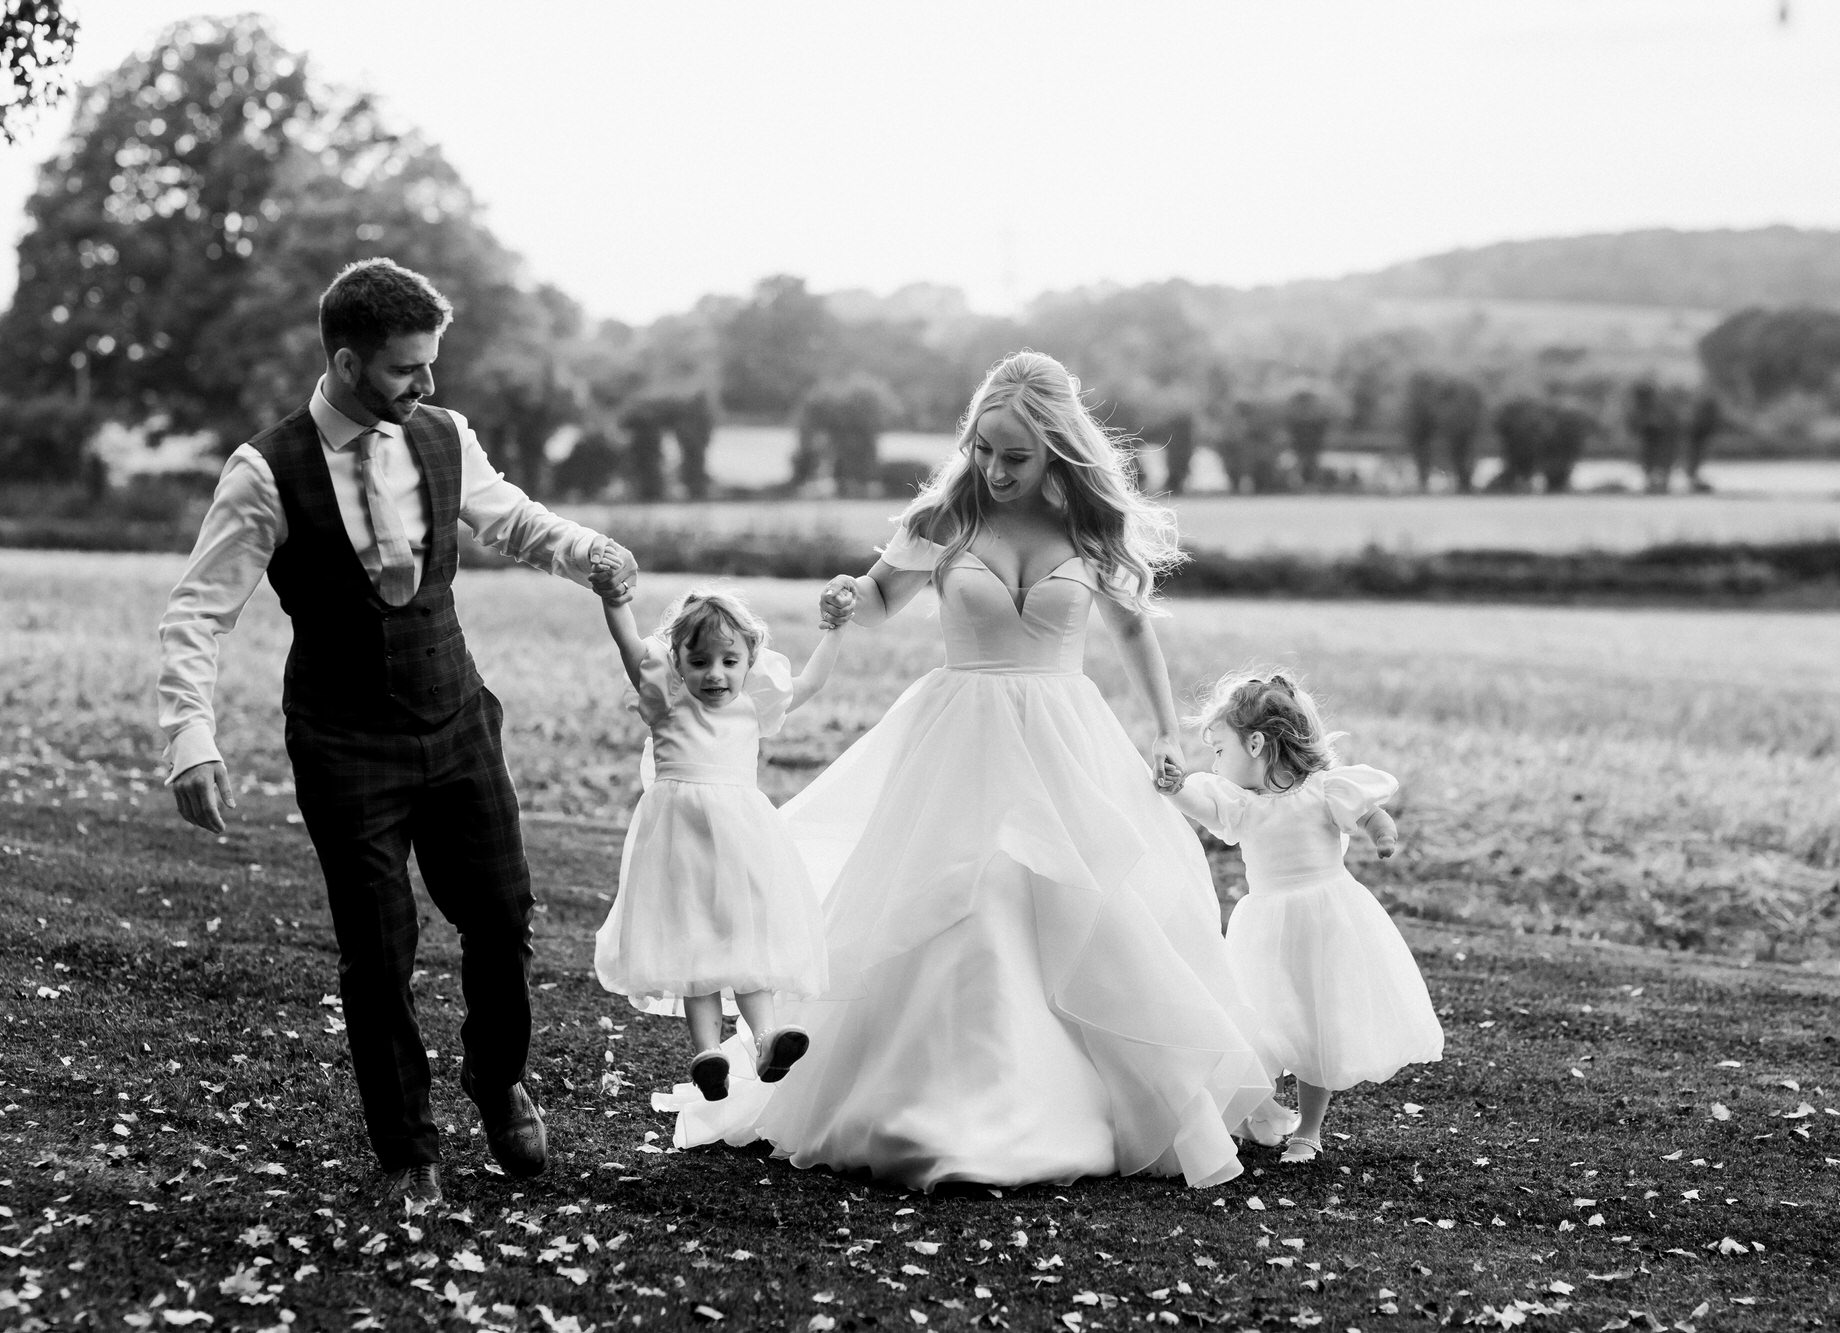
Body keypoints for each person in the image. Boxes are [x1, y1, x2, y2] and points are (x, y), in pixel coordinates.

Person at [664, 350, 1275, 1191]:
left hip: (1066, 735)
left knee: (1079, 908)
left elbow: (1134, 632)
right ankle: (949, 1106)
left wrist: (1167, 733)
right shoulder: (948, 515)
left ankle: (1085, 1101)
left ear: (1057, 449)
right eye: (983, 448)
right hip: (960, 734)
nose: (993, 468)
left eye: (1015, 456)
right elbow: (881, 598)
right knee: (967, 900)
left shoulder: (1089, 528)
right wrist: (848, 597)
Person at [157, 258, 640, 1207]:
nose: (426, 385)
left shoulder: (443, 435)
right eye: (405, 370)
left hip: (457, 716)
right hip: (343, 741)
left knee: (500, 917)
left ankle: (496, 1079)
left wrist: (591, 553)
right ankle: (408, 1149)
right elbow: (197, 613)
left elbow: (515, 521)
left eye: (429, 366)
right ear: (345, 361)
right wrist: (191, 737)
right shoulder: (266, 471)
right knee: (378, 952)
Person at [1156, 670, 1444, 1164]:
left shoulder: (1324, 791)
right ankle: (1258, 1109)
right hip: (1266, 926)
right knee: (1257, 1017)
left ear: (1256, 744)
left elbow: (1370, 813)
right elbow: (1199, 801)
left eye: (1220, 749)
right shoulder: (1241, 805)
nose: (1215, 762)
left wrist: (1382, 835)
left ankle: (1308, 1130)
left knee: (1317, 1022)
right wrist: (1176, 785)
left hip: (1326, 919)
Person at [587, 578, 843, 1100]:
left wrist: (835, 630)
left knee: (747, 939)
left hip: (743, 840)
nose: (715, 673)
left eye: (729, 660)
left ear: (751, 659)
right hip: (680, 844)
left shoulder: (751, 706)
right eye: (699, 660)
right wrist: (616, 602)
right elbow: (630, 647)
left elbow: (811, 683)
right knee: (694, 944)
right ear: (676, 660)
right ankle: (708, 1053)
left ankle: (768, 1040)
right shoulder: (665, 700)